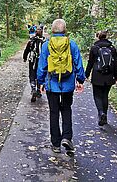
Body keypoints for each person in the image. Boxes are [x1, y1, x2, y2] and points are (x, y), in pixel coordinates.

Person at [37, 19, 86, 154]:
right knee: (66, 109)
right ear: (65, 30)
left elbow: (42, 66)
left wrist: (40, 82)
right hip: (68, 85)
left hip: (51, 85)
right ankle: (67, 137)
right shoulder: (72, 44)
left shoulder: (47, 45)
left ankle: (56, 144)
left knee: (53, 112)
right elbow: (78, 64)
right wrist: (80, 80)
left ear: (52, 30)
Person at [85, 30, 117, 126]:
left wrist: (86, 75)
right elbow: (116, 63)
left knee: (97, 95)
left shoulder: (94, 48)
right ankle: (105, 116)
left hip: (97, 76)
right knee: (105, 95)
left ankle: (101, 113)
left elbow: (90, 63)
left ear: (97, 37)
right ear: (106, 36)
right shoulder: (112, 48)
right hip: (109, 76)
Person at [23, 27, 45, 102]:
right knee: (40, 74)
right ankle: (38, 90)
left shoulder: (31, 41)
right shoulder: (44, 41)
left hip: (32, 60)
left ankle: (33, 88)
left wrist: (25, 57)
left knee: (32, 74)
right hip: (41, 61)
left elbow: (27, 50)